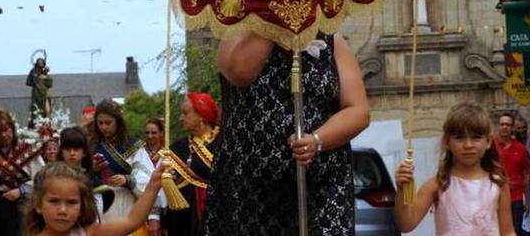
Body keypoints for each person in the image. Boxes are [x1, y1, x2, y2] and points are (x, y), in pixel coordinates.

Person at [203, 33, 369, 235]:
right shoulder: (237, 32)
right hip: (251, 189)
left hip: (321, 184)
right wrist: (273, 25)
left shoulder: (333, 43)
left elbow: (358, 111)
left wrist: (316, 140)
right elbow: (240, 72)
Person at [394, 103, 514, 235]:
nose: (468, 145)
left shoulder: (498, 183)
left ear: (488, 141)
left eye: (476, 137)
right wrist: (402, 190)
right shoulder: (437, 184)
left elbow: (508, 232)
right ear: (447, 142)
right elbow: (406, 224)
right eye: (460, 137)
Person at [20, 161, 165, 236]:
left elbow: (132, 221)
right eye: (54, 201)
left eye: (71, 202)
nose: (62, 210)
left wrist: (153, 185)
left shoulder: (89, 233)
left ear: (82, 207)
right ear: (38, 204)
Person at [0, 108, 45, 236]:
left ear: (12, 128)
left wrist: (21, 190)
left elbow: (43, 179)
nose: (5, 136)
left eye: (6, 130)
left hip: (21, 208)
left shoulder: (27, 151)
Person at [161, 94, 220, 236]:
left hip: (217, 215)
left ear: (201, 116)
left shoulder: (224, 144)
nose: (181, 118)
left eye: (185, 113)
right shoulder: (176, 148)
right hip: (184, 222)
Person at [91, 99, 141, 226]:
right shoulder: (91, 144)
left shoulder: (132, 145)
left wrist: (128, 179)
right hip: (98, 204)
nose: (103, 127)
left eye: (108, 123)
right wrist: (92, 170)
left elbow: (146, 174)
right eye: (100, 123)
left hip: (125, 202)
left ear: (118, 122)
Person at [495, 112, 530, 234]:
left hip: (516, 198)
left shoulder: (520, 148)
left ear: (512, 128)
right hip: (495, 197)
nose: (504, 127)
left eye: (508, 125)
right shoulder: (490, 146)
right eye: (502, 124)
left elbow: (526, 175)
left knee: (515, 231)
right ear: (498, 126)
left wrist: (528, 200)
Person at [130, 118, 165, 236]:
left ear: (161, 133)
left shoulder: (169, 153)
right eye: (147, 133)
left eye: (154, 133)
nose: (150, 136)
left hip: (165, 210)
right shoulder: (136, 153)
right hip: (140, 206)